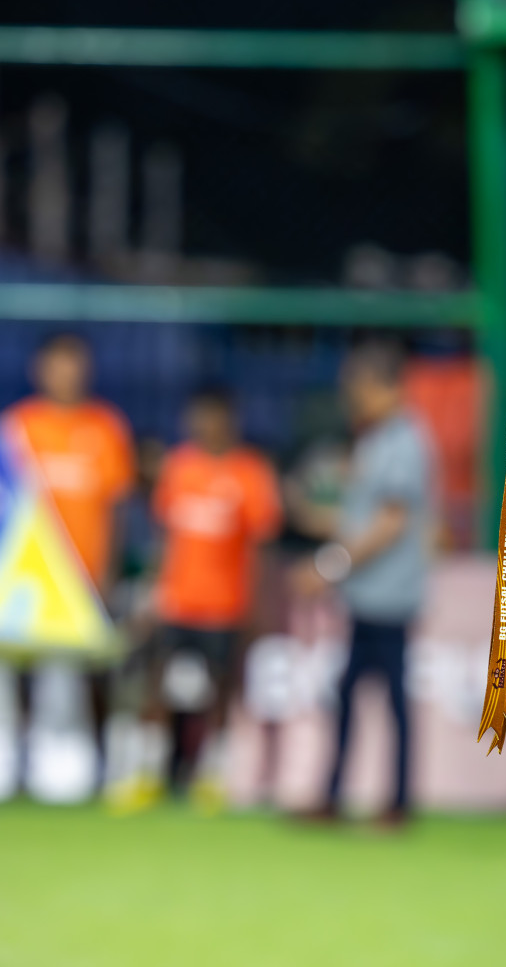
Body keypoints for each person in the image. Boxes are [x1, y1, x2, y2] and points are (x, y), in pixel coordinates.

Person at [109, 388, 282, 813]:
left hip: (226, 605)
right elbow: (165, 540)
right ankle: (149, 773)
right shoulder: (179, 468)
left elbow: (260, 546)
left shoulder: (251, 473)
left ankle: (212, 776)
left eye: (213, 417)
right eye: (198, 418)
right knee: (156, 688)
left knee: (221, 693)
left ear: (229, 421)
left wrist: (257, 605)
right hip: (177, 602)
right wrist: (154, 592)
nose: (204, 426)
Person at [294, 340, 435, 826]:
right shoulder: (377, 440)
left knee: (386, 698)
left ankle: (393, 801)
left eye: (358, 385)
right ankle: (345, 795)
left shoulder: (403, 442)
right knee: (356, 694)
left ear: (383, 385)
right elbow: (365, 516)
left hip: (389, 596)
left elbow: (392, 523)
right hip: (368, 594)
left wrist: (332, 564)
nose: (351, 395)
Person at [2, 334, 135, 799]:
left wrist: (110, 572)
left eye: (75, 364)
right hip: (24, 581)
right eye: (58, 365)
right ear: (39, 369)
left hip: (83, 578)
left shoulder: (106, 429)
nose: (67, 374)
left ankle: (73, 770)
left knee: (75, 677)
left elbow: (117, 507)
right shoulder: (16, 426)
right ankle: (11, 764)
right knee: (13, 672)